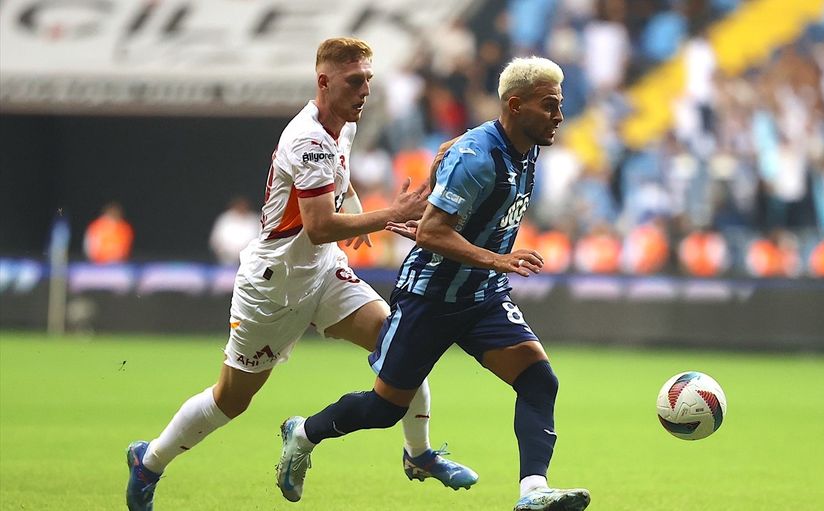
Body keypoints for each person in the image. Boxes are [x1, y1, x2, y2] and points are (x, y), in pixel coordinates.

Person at [125, 37, 477, 511]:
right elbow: (319, 226)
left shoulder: (343, 124)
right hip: (274, 287)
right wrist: (387, 214)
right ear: (324, 82)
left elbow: (337, 181)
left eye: (368, 80)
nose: (364, 90)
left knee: (402, 346)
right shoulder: (307, 139)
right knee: (231, 400)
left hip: (323, 272)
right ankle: (149, 462)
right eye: (354, 81)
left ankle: (419, 454)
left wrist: (355, 204)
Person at [276, 56, 591, 511]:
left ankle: (533, 492)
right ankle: (303, 433)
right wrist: (497, 259)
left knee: (539, 380)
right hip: (430, 297)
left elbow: (451, 153)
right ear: (515, 106)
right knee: (385, 409)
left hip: (481, 296)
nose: (559, 115)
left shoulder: (523, 143)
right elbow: (431, 234)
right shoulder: (479, 157)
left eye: (559, 105)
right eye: (550, 106)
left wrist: (444, 179)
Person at [209, 196, 261, 265]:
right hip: (225, 260)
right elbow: (215, 241)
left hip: (250, 261)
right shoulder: (225, 218)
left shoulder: (254, 220)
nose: (241, 207)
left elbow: (260, 241)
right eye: (239, 205)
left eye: (243, 206)